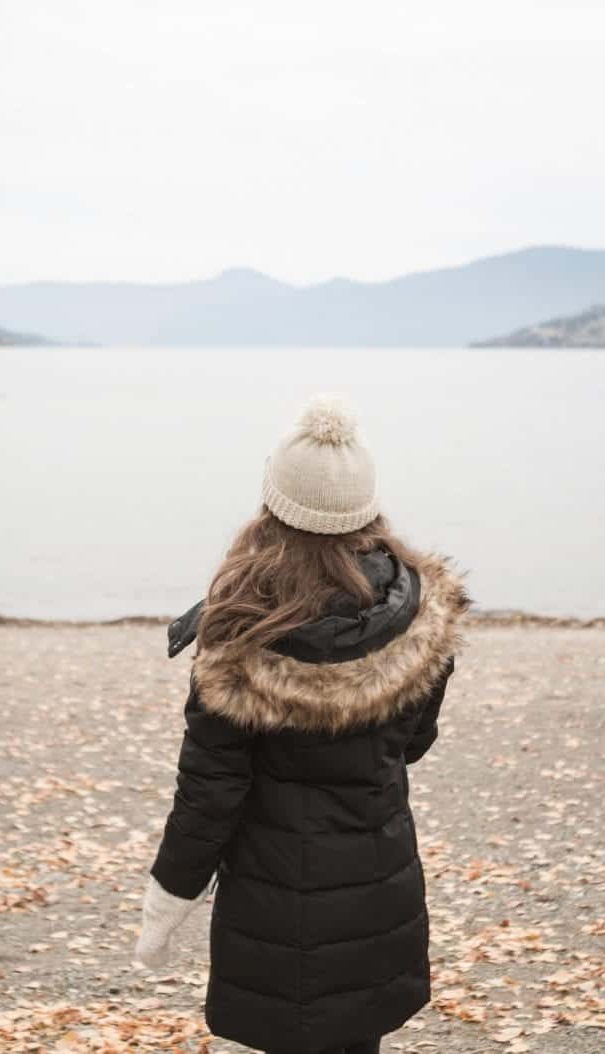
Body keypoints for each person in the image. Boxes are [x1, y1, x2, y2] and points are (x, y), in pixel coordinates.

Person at [135, 392, 472, 1054]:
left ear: (273, 506)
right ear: (365, 507)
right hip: (376, 882)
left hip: (273, 894)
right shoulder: (420, 616)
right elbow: (414, 745)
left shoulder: (238, 632)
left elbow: (210, 792)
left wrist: (167, 901)